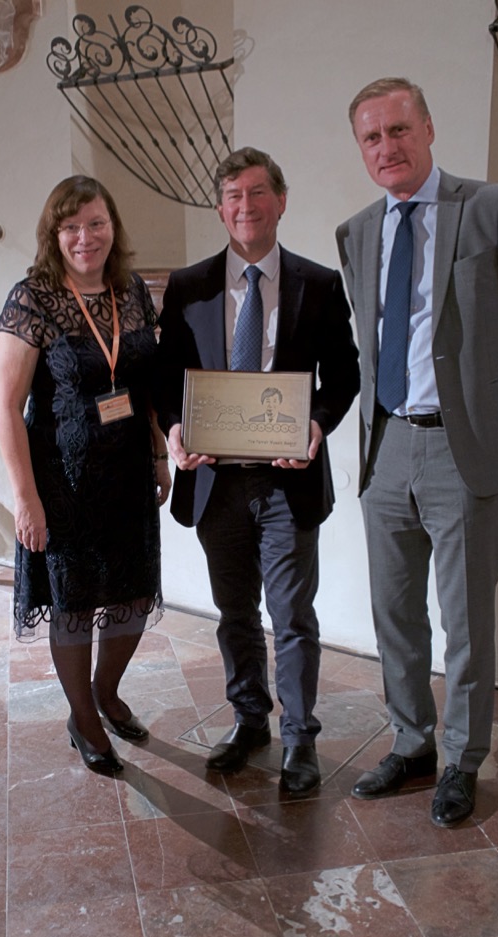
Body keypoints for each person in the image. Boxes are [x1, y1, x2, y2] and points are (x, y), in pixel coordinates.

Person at [336, 77, 498, 826]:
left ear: (428, 129)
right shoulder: (358, 231)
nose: (387, 147)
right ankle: (412, 744)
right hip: (386, 447)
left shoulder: (492, 207)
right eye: (372, 137)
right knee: (394, 613)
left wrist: (497, 414)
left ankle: (463, 759)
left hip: (461, 451)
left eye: (399, 129)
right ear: (362, 149)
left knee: (465, 619)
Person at [157, 147, 360, 796]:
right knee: (234, 612)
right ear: (220, 210)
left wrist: (316, 425)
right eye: (233, 197)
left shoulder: (317, 283)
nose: (245, 206)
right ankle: (250, 722)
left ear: (281, 201)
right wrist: (174, 429)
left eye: (257, 192)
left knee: (292, 614)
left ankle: (300, 739)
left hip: (285, 482)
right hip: (215, 482)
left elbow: (345, 376)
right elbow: (165, 379)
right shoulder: (188, 286)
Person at [0, 175, 171, 775]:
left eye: (96, 223)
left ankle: (106, 691)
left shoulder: (132, 291)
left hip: (127, 476)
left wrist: (158, 454)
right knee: (72, 605)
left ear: (112, 227)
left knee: (134, 594)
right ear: (54, 234)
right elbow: (6, 406)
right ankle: (84, 718)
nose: (85, 237)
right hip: (61, 482)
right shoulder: (33, 298)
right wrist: (25, 500)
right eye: (71, 226)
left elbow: (143, 385)